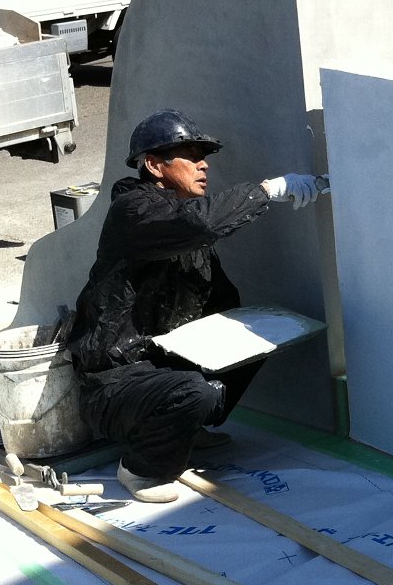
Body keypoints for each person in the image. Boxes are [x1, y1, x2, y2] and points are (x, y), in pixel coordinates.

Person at [66, 109, 322, 503]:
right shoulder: (134, 211)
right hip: (113, 385)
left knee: (255, 340)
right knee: (193, 391)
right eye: (190, 156)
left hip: (160, 367)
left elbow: (221, 298)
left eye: (204, 157)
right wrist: (267, 190)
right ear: (154, 165)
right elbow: (199, 224)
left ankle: (183, 427)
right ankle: (141, 469)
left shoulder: (182, 228)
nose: (204, 165)